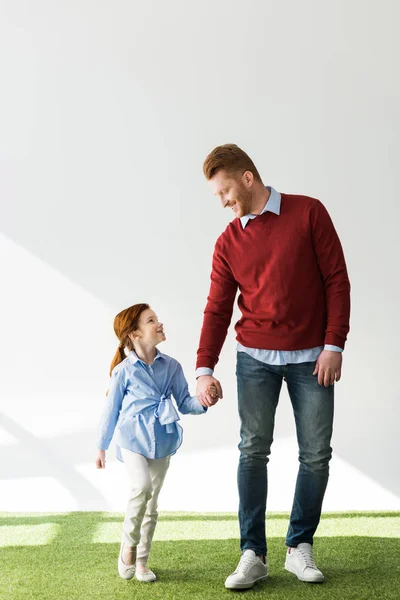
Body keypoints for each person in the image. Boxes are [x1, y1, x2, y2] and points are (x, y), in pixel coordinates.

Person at [195, 144, 351, 590]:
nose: (223, 202)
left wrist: (333, 344)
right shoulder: (228, 242)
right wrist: (205, 367)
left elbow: (336, 279)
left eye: (224, 191)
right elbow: (217, 309)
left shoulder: (308, 213)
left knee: (316, 454)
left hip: (312, 358)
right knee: (252, 450)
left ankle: (299, 546)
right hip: (255, 359)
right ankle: (253, 554)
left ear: (247, 178)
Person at [96, 303, 218, 582]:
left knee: (151, 504)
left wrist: (204, 400)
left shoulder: (172, 366)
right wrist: (101, 446)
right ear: (135, 334)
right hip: (132, 439)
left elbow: (185, 403)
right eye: (151, 321)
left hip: (163, 438)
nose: (159, 324)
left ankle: (141, 562)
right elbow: (110, 410)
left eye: (157, 319)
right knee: (142, 486)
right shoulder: (124, 371)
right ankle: (128, 546)